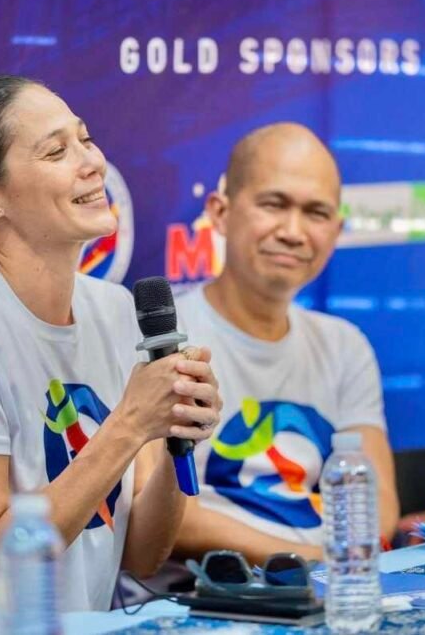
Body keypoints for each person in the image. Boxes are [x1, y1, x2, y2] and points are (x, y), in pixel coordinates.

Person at [0, 75, 222, 611]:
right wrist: (130, 423)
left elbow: (142, 556)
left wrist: (178, 433)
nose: (92, 163)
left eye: (85, 140)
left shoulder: (115, 311)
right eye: (57, 151)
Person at [171, 122, 399, 566]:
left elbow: (376, 504)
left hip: (326, 587)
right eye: (274, 204)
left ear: (337, 229)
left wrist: (330, 569)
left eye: (316, 213)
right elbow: (157, 513)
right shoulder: (164, 339)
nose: (293, 231)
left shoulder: (344, 346)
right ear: (219, 212)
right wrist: (311, 558)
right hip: (202, 595)